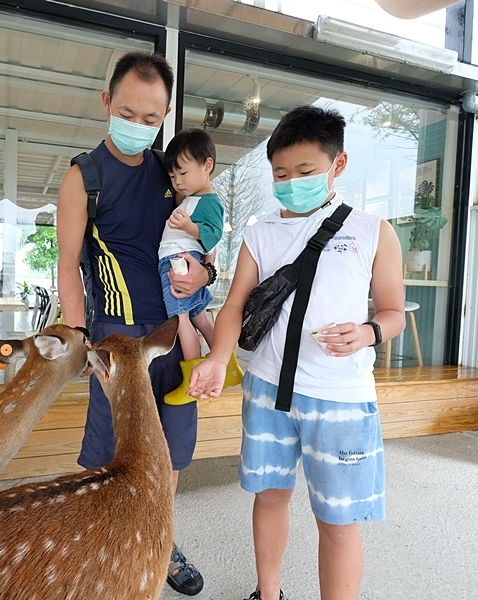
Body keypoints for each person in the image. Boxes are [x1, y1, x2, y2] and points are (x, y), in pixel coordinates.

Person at [187, 105, 406, 600]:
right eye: (281, 174)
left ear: (338, 164)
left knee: (338, 520)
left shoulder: (372, 230)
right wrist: (219, 358)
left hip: (341, 398)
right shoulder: (259, 232)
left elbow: (394, 311)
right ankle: (269, 594)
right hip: (268, 388)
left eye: (305, 171)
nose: (291, 182)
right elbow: (234, 306)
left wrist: (369, 331)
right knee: (269, 499)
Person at [55, 51, 213, 597]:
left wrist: (207, 269)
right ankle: (101, 544)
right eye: (129, 112)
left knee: (171, 449)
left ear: (165, 116)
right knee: (107, 454)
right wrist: (81, 342)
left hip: (173, 333)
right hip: (117, 341)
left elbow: (200, 240)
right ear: (107, 103)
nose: (140, 126)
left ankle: (161, 541)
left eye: (152, 118)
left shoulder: (172, 175)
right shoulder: (84, 177)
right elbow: (68, 268)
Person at [157, 128, 242, 405]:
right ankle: (227, 365)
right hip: (183, 260)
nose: (177, 182)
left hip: (180, 262)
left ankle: (193, 380)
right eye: (172, 176)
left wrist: (189, 226)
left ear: (207, 166)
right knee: (199, 316)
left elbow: (213, 235)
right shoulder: (194, 197)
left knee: (181, 320)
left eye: (183, 173)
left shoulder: (209, 201)